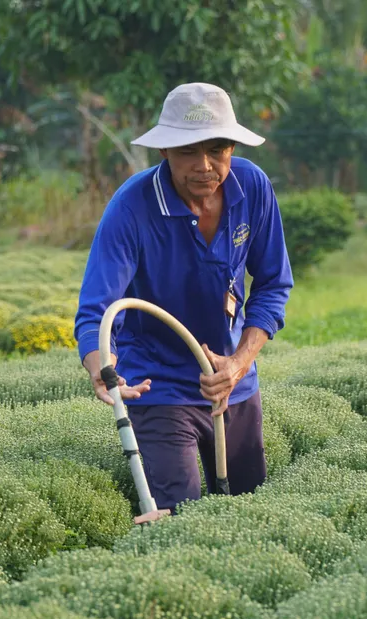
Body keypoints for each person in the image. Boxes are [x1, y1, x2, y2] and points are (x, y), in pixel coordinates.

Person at [74, 82, 293, 516]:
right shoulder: (131, 207)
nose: (204, 166)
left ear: (232, 148)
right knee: (181, 515)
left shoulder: (252, 186)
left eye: (216, 150)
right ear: (164, 152)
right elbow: (97, 310)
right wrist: (102, 369)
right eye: (188, 151)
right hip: (158, 384)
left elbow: (273, 285)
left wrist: (238, 364)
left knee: (248, 510)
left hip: (231, 382)